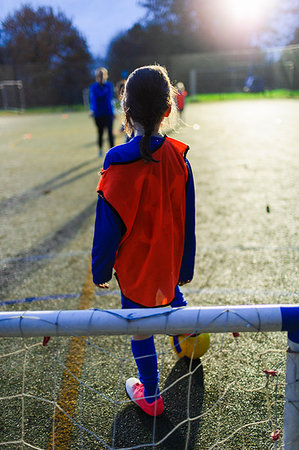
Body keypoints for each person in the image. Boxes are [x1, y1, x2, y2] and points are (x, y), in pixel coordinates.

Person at [91, 65, 196, 416]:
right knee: (172, 290)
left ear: (126, 110)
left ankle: (150, 394)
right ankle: (187, 337)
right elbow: (188, 221)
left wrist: (100, 269)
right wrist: (186, 266)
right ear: (168, 109)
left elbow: (107, 226)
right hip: (169, 261)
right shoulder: (180, 157)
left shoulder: (117, 160)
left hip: (135, 267)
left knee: (140, 327)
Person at [89, 67, 115, 157]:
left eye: (102, 75)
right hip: (99, 114)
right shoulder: (93, 87)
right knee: (100, 133)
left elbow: (110, 99)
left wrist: (113, 112)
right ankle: (100, 150)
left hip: (108, 113)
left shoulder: (109, 85)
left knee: (110, 133)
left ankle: (112, 151)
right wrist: (92, 110)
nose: (101, 77)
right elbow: (93, 100)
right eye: (99, 76)